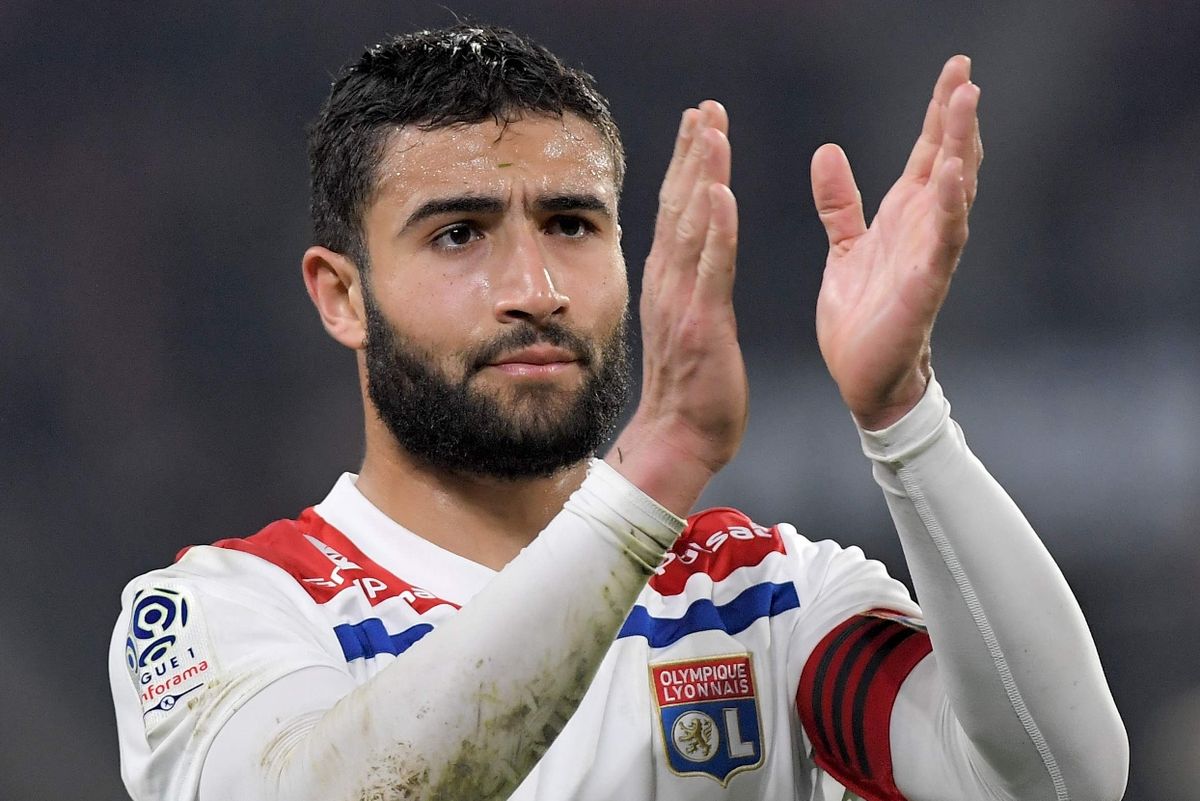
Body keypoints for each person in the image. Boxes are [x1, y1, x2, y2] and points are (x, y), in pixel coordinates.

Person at [109, 24, 1129, 801]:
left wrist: (905, 419)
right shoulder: (223, 611)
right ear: (341, 295)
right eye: (459, 235)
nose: (535, 284)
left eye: (571, 222)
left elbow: (1055, 777)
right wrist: (655, 468)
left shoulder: (758, 600)